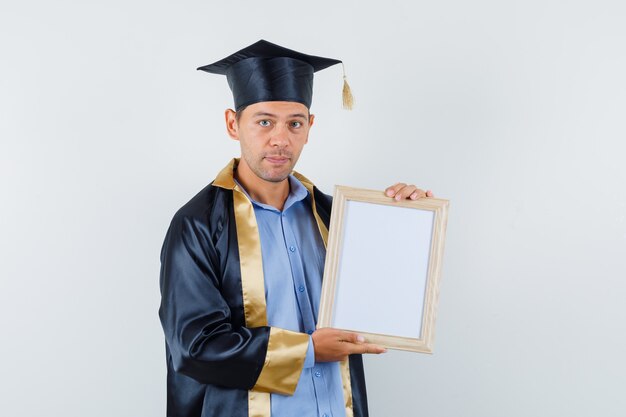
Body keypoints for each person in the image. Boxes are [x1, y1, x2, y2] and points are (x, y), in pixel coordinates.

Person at [159, 40, 433, 417]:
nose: (280, 139)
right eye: (264, 121)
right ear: (232, 124)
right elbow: (194, 346)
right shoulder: (198, 225)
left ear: (309, 128)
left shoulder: (334, 216)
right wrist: (308, 351)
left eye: (294, 123)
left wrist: (406, 220)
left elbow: (383, 299)